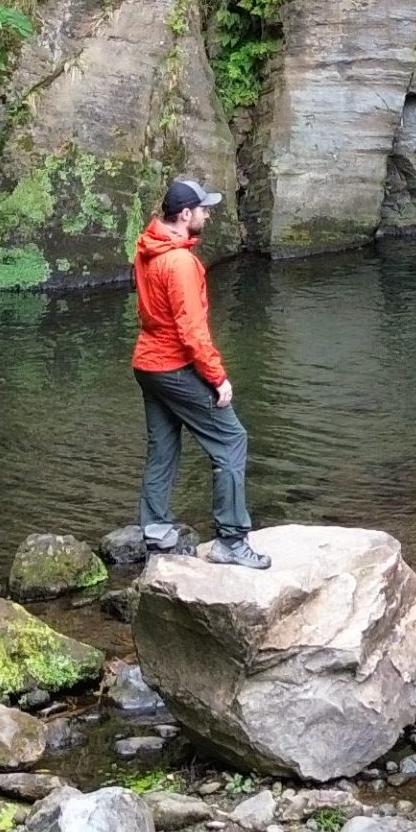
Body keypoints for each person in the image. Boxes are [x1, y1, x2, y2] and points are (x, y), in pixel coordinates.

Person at [132, 177, 269, 570]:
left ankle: (156, 532)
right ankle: (231, 540)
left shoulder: (148, 248)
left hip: (148, 364)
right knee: (231, 440)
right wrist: (218, 378)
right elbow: (192, 331)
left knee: (163, 447)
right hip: (173, 366)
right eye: (204, 209)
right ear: (185, 214)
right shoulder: (180, 263)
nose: (208, 215)